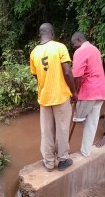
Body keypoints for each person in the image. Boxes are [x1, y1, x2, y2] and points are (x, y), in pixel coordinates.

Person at [30, 23, 78, 172]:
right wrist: (74, 92)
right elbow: (68, 72)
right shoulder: (59, 47)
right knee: (62, 129)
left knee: (47, 131)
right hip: (61, 96)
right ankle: (63, 160)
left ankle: (49, 162)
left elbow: (35, 75)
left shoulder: (34, 53)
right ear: (52, 34)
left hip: (44, 98)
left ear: (40, 34)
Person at [71, 32, 105, 157]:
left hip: (88, 92)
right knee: (91, 123)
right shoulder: (95, 49)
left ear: (79, 39)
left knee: (74, 118)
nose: (74, 47)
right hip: (100, 91)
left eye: (74, 43)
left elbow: (77, 76)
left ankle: (63, 152)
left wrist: (74, 93)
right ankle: (86, 152)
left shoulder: (80, 51)